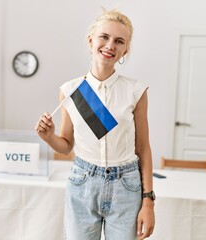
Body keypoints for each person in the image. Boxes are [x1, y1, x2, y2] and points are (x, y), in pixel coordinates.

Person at [35, 8, 155, 240]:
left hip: (127, 187)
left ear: (125, 50)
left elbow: (143, 148)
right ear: (91, 41)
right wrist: (49, 137)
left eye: (119, 41)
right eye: (104, 37)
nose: (110, 45)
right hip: (83, 183)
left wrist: (148, 201)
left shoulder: (136, 91)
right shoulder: (71, 91)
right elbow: (66, 145)